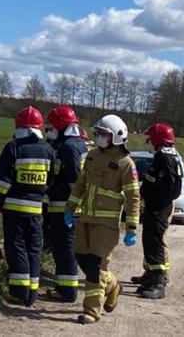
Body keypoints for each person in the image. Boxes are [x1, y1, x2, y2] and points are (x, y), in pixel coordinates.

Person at [65, 114, 140, 324]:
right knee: (82, 258)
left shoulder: (126, 164)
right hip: (86, 219)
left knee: (96, 266)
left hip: (106, 225)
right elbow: (81, 184)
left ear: (116, 136)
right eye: (98, 133)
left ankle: (91, 311)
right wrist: (70, 208)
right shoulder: (92, 156)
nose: (99, 137)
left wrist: (131, 227)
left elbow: (133, 197)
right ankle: (113, 286)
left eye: (103, 134)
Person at [0, 106, 57, 306]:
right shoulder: (48, 150)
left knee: (16, 247)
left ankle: (19, 292)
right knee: (33, 249)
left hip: (14, 209)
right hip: (37, 210)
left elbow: (2, 180)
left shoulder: (13, 147)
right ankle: (31, 294)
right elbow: (51, 179)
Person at [40, 106, 88, 303]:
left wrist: (71, 207)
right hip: (70, 206)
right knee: (65, 247)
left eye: (50, 127)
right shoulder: (79, 143)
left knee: (64, 247)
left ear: (60, 126)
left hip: (65, 206)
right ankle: (64, 286)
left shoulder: (68, 147)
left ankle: (67, 290)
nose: (48, 131)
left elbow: (74, 180)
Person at [131, 123, 182, 300]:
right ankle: (151, 277)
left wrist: (154, 204)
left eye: (150, 138)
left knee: (156, 243)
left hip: (159, 207)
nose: (148, 142)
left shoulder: (165, 158)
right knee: (149, 241)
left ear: (157, 139)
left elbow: (168, 187)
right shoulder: (166, 155)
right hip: (156, 206)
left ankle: (158, 284)